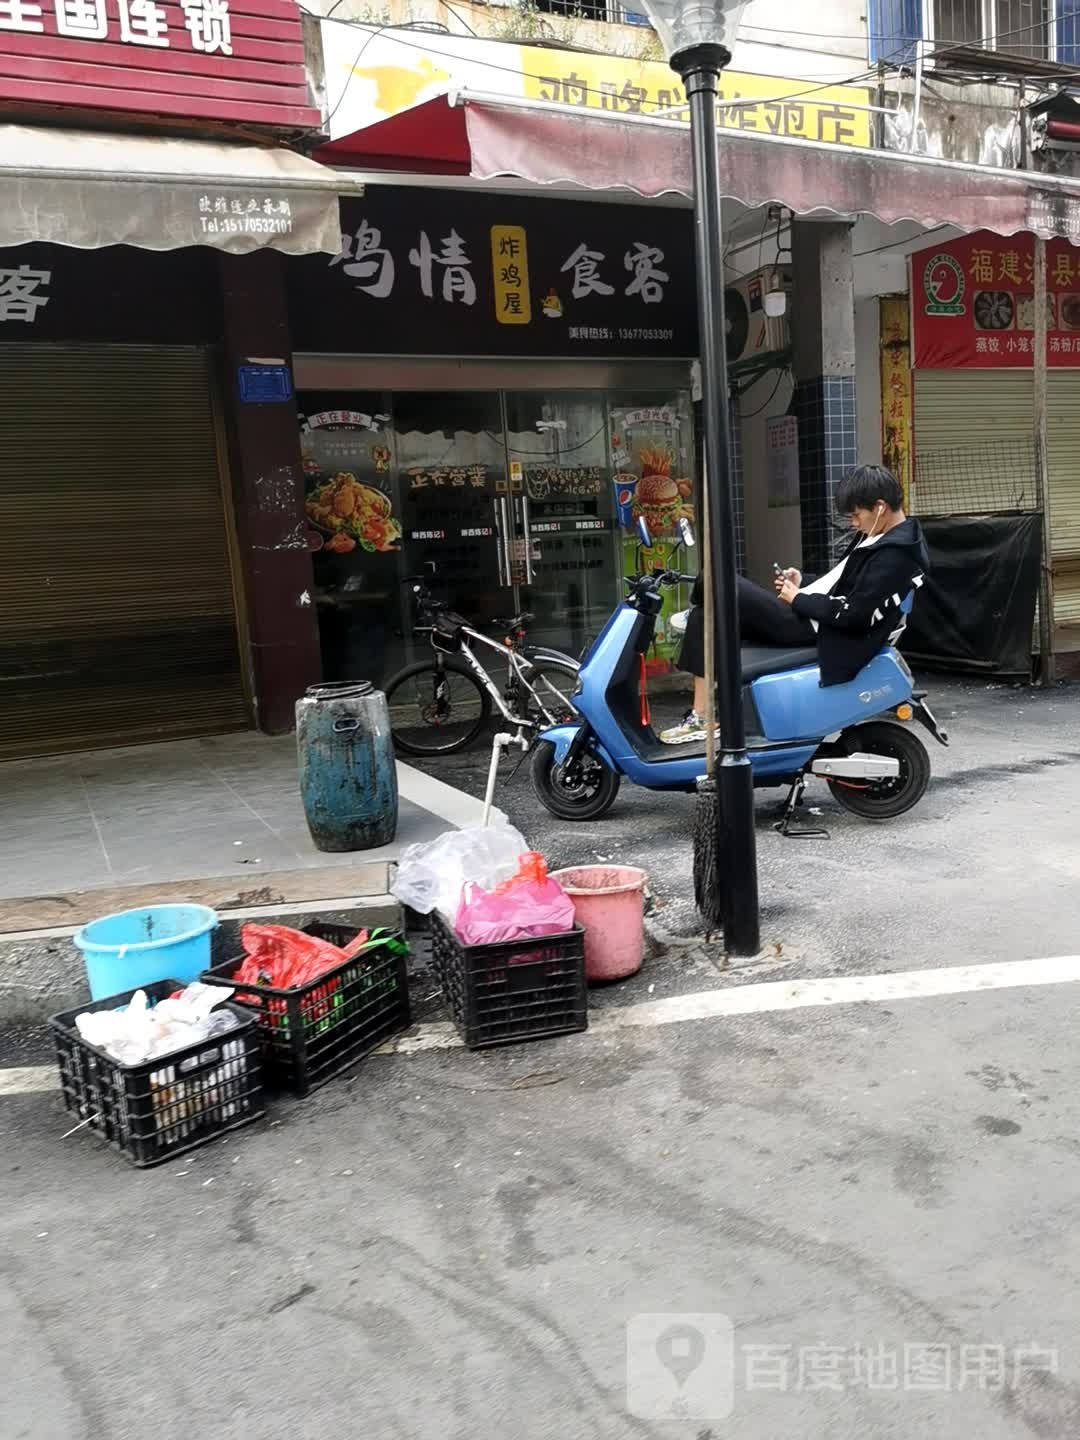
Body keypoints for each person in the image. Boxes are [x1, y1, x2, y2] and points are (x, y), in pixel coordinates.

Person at [660, 464, 929, 744]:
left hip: (814, 629)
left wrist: (798, 599)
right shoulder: (880, 536)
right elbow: (844, 583)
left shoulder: (897, 555)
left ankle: (699, 608)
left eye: (856, 514)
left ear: (880, 507)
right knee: (704, 617)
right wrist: (803, 581)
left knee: (715, 576)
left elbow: (856, 614)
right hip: (809, 615)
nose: (853, 522)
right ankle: (702, 716)